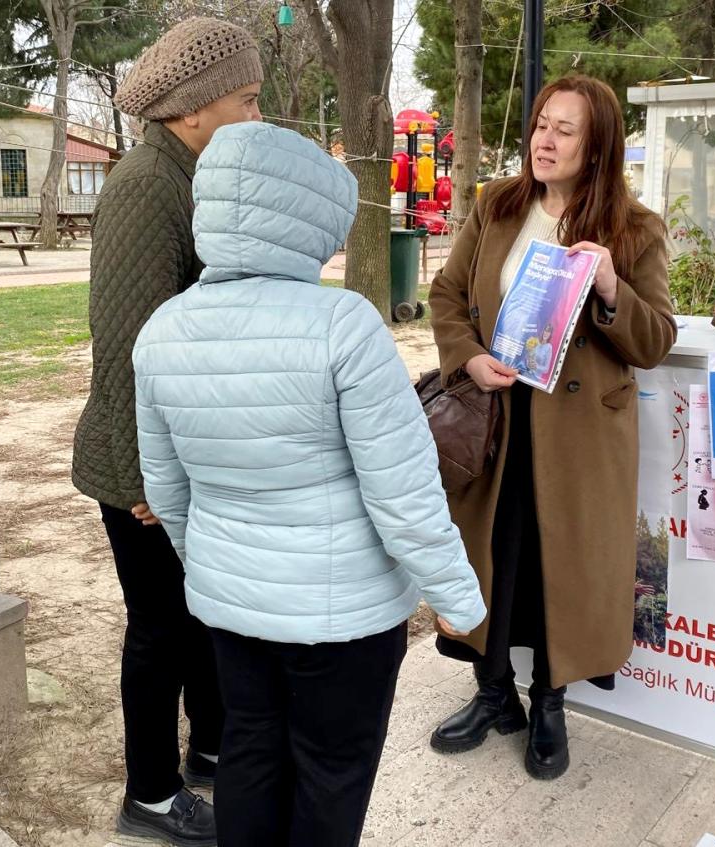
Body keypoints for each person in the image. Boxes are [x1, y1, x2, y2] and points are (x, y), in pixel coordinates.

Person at [132, 121, 486, 847]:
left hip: (234, 608)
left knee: (250, 752)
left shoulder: (163, 331)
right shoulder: (344, 325)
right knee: (331, 773)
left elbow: (165, 490)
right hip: (343, 619)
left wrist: (216, 567)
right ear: (308, 217)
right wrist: (455, 594)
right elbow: (404, 488)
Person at [428, 75, 677, 781]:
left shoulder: (636, 229)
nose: (544, 139)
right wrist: (468, 357)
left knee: (555, 567)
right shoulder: (497, 207)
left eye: (565, 129)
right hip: (498, 420)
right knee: (495, 558)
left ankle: (550, 703)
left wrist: (609, 288)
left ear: (596, 145)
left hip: (579, 440)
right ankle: (491, 691)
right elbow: (448, 293)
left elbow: (655, 338)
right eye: (541, 124)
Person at [70, 17, 263, 845]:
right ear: (192, 108)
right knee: (160, 629)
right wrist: (148, 476)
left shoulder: (192, 171)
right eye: (246, 100)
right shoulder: (151, 182)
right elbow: (128, 346)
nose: (256, 117)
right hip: (140, 466)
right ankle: (149, 791)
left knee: (200, 616)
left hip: (179, 459)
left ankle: (212, 751)